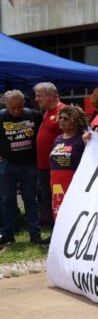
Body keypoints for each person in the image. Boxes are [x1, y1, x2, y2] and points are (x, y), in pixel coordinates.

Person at [0, 90, 47, 245]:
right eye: (12, 107)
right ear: (5, 104)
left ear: (24, 103)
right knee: (7, 199)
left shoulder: (34, 115)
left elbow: (42, 135)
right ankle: (7, 234)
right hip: (7, 164)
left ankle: (35, 234)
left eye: (19, 106)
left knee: (30, 198)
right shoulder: (1, 116)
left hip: (29, 164)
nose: (16, 111)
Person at [33, 82, 65, 228]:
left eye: (39, 96)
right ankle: (54, 232)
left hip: (57, 166)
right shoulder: (47, 112)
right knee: (47, 199)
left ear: (51, 95)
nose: (36, 99)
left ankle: (60, 231)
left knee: (58, 199)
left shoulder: (63, 112)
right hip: (44, 166)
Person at [49, 106, 88, 222]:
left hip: (74, 181)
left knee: (73, 212)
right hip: (56, 182)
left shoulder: (82, 138)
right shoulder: (57, 139)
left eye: (65, 118)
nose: (61, 120)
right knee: (58, 210)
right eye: (60, 117)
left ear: (75, 121)